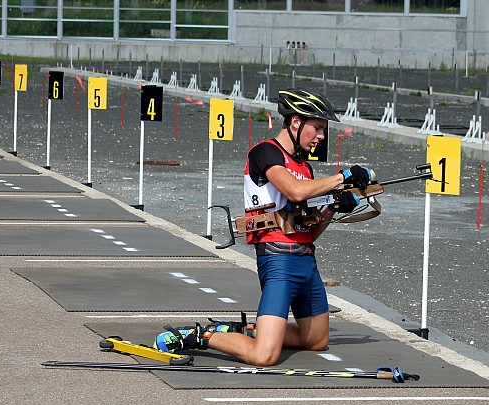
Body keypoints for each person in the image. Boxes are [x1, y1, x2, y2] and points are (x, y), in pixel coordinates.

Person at [154, 88, 372, 366]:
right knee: (264, 355)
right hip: (278, 260)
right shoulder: (266, 152)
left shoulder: (305, 168)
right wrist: (342, 176)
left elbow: (309, 232)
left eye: (323, 130)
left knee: (316, 341)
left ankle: (237, 331)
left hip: (306, 262)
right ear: (296, 122)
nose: (321, 136)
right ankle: (199, 336)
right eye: (317, 128)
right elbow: (293, 191)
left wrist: (332, 208)